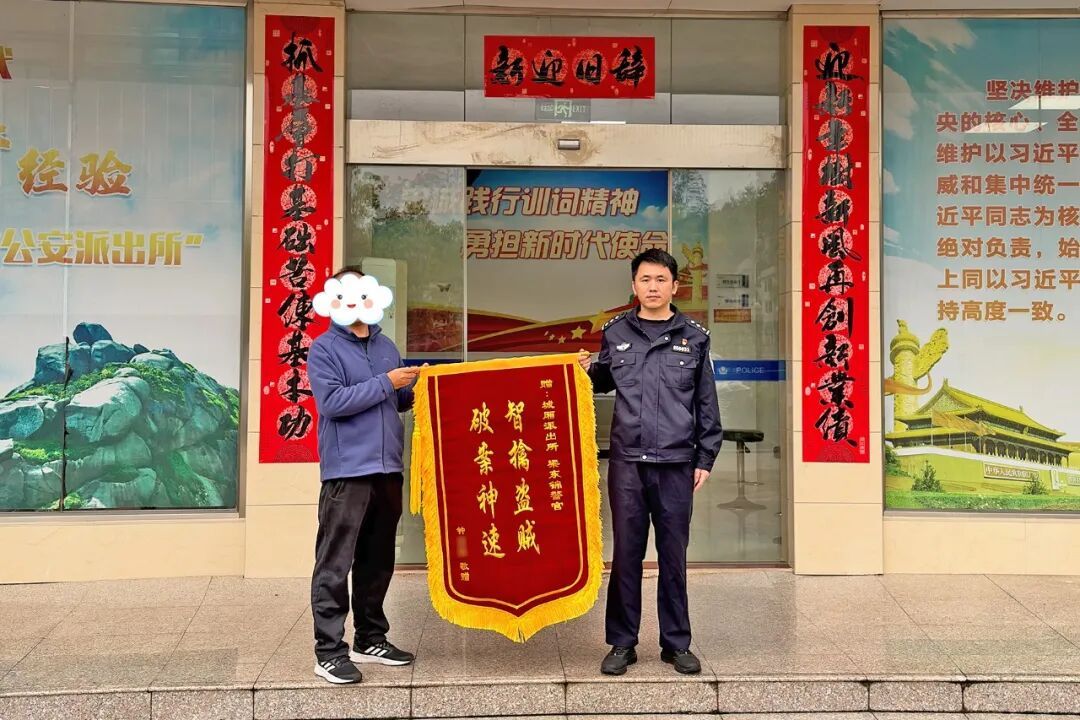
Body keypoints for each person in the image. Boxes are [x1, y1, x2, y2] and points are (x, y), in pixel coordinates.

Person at [578, 248, 722, 676]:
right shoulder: (616, 332)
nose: (653, 287)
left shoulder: (695, 337)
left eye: (661, 279)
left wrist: (705, 456)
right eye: (645, 279)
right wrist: (585, 370)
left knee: (673, 555)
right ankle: (622, 643)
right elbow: (604, 381)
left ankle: (676, 644)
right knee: (627, 554)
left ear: (674, 286)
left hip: (677, 462)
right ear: (634, 285)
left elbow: (706, 401)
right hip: (628, 463)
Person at [307, 266, 421, 684]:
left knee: (378, 559)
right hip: (347, 472)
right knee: (335, 562)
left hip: (388, 468)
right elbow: (333, 402)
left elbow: (398, 400)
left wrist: (415, 387)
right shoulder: (324, 349)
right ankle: (329, 651)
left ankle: (370, 637)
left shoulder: (387, 346)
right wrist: (387, 382)